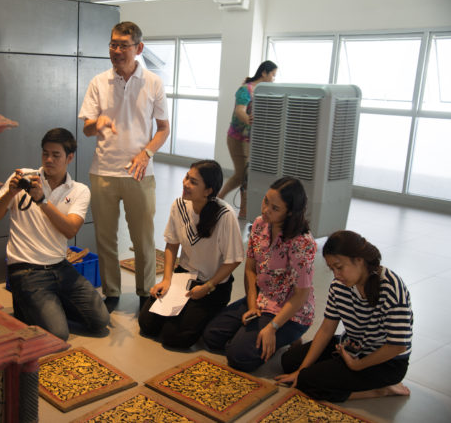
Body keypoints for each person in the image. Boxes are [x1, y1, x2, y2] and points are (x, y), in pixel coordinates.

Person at [78, 21, 170, 313]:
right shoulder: (98, 81)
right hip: (103, 171)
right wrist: (97, 123)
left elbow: (163, 129)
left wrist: (146, 153)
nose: (116, 51)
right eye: (112, 44)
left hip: (139, 173)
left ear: (138, 48)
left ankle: (145, 293)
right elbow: (86, 129)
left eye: (123, 45)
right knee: (105, 238)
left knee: (143, 239)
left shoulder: (153, 82)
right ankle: (111, 292)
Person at [0, 128, 109, 341]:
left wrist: (42, 201)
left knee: (100, 321)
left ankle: (44, 306)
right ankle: (32, 305)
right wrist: (10, 193)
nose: (49, 160)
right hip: (25, 269)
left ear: (69, 158)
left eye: (56, 155)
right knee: (58, 334)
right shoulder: (23, 177)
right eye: (45, 153)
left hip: (61, 266)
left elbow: (70, 230)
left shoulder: (79, 190)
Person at [275, 230, 413, 402]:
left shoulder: (391, 286)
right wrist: (300, 370)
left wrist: (357, 365)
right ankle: (321, 373)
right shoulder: (339, 286)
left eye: (339, 267)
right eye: (332, 269)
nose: (336, 275)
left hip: (386, 362)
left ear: (359, 260)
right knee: (289, 362)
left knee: (306, 382)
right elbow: (327, 329)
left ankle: (379, 390)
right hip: (353, 347)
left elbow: (397, 346)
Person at [203, 176, 316, 371]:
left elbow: (301, 295)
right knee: (211, 336)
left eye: (275, 208)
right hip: (262, 299)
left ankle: (288, 335)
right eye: (266, 201)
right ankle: (254, 334)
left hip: (290, 312)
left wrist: (273, 327)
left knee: (238, 357)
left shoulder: (302, 242)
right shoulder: (259, 224)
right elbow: (250, 269)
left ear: (290, 212)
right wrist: (252, 305)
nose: (266, 210)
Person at [138, 160, 244, 349]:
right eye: (187, 177)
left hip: (213, 285)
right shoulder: (179, 205)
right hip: (184, 277)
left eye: (193, 182)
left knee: (174, 338)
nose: (185, 183)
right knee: (147, 324)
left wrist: (208, 286)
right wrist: (167, 280)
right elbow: (171, 246)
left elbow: (233, 260)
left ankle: (212, 314)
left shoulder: (225, 215)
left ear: (208, 191)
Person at [218, 60, 277, 219]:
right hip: (237, 139)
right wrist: (248, 120)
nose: (273, 79)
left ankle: (244, 210)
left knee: (247, 176)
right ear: (264, 73)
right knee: (240, 175)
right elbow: (240, 111)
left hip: (251, 141)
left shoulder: (264, 92)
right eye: (273, 74)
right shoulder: (245, 89)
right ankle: (217, 199)